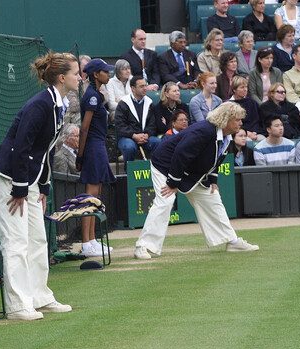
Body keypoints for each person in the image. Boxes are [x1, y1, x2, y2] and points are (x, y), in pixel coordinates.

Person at [0, 52, 78, 321]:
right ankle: (18, 306)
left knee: (38, 238)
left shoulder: (60, 105)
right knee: (16, 242)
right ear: (62, 78)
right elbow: (21, 147)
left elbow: (47, 150)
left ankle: (39, 296)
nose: (80, 77)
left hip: (30, 179)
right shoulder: (39, 105)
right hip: (10, 177)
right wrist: (18, 188)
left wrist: (43, 187)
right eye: (76, 73)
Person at [133, 102, 259, 260]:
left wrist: (213, 179)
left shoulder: (226, 136)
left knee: (212, 198)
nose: (241, 123)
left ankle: (232, 241)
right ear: (226, 119)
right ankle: (143, 245)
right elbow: (181, 153)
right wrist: (173, 183)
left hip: (190, 171)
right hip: (165, 165)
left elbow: (217, 158)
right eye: (237, 120)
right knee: (166, 200)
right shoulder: (204, 131)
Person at [77, 58, 117, 258]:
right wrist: (80, 154)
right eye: (105, 71)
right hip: (92, 147)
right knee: (89, 197)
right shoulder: (92, 97)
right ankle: (86, 243)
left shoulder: (97, 95)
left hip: (98, 146)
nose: (108, 74)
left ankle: (92, 240)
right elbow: (84, 128)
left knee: (96, 196)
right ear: (95, 74)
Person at [115, 76, 160, 161]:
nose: (145, 88)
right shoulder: (123, 104)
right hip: (127, 137)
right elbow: (120, 125)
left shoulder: (149, 103)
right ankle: (129, 172)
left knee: (158, 143)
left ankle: (155, 170)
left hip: (145, 137)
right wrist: (134, 135)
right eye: (141, 86)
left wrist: (147, 134)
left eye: (145, 85)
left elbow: (152, 124)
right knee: (129, 147)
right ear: (133, 88)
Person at [63, 55, 91, 126]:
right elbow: (73, 106)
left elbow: (105, 98)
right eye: (76, 74)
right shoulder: (70, 85)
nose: (79, 78)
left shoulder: (92, 80)